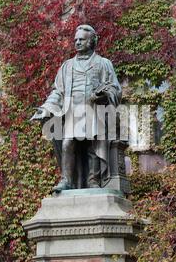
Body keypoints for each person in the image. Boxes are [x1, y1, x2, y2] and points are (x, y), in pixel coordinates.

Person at [32, 25, 122, 193]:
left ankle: (93, 180)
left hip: (94, 111)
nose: (77, 43)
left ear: (92, 41)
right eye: (76, 40)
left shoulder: (104, 64)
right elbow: (58, 91)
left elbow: (115, 88)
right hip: (73, 111)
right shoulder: (67, 66)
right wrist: (46, 108)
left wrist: (104, 95)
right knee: (67, 143)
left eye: (81, 39)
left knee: (92, 146)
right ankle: (66, 180)